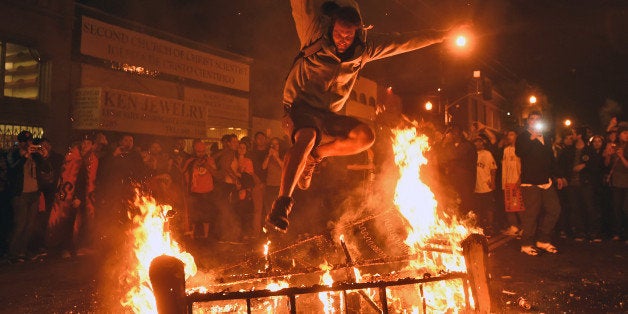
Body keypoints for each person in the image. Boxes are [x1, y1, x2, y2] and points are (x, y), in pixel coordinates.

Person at [265, 0, 459, 233]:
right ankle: (282, 204)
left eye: (348, 36)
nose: (342, 41)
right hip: (299, 107)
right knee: (307, 135)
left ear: (357, 31)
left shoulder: (366, 49)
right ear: (332, 25)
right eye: (338, 34)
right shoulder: (314, 30)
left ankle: (315, 156)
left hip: (328, 114)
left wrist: (443, 35)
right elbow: (301, 4)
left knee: (365, 136)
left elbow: (404, 42)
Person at [515, 111, 566, 255]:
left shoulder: (546, 138)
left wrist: (559, 176)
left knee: (554, 209)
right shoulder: (523, 137)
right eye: (532, 119)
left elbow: (550, 160)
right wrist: (532, 138)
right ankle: (526, 244)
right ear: (528, 122)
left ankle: (543, 240)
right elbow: (520, 152)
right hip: (530, 182)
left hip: (545, 181)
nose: (535, 121)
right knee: (531, 214)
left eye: (538, 119)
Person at [561, 126, 602, 242]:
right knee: (576, 208)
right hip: (572, 184)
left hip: (586, 183)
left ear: (579, 135)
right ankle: (580, 232)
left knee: (590, 207)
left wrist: (584, 165)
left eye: (574, 133)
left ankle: (594, 232)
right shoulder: (569, 150)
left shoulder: (589, 150)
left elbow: (596, 165)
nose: (572, 136)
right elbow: (562, 165)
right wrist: (564, 177)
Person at [605, 122, 628, 242]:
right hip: (616, 182)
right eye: (624, 133)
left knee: (626, 208)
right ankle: (617, 232)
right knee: (616, 208)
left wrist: (622, 156)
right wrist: (608, 155)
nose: (627, 135)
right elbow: (607, 165)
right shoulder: (615, 146)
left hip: (626, 182)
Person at [501, 130, 524, 236]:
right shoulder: (506, 150)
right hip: (508, 182)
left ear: (516, 136)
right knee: (509, 207)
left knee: (519, 207)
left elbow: (524, 166)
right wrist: (504, 183)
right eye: (508, 134)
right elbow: (504, 167)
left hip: (518, 182)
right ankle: (514, 227)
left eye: (512, 134)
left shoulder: (521, 149)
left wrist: (520, 179)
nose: (509, 137)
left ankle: (524, 227)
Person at [473, 136, 497, 236]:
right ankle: (479, 227)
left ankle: (489, 227)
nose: (477, 144)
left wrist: (493, 181)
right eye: (475, 142)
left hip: (486, 185)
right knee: (478, 209)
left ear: (483, 143)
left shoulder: (487, 154)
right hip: (475, 186)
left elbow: (493, 169)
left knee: (488, 208)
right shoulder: (472, 154)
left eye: (479, 142)